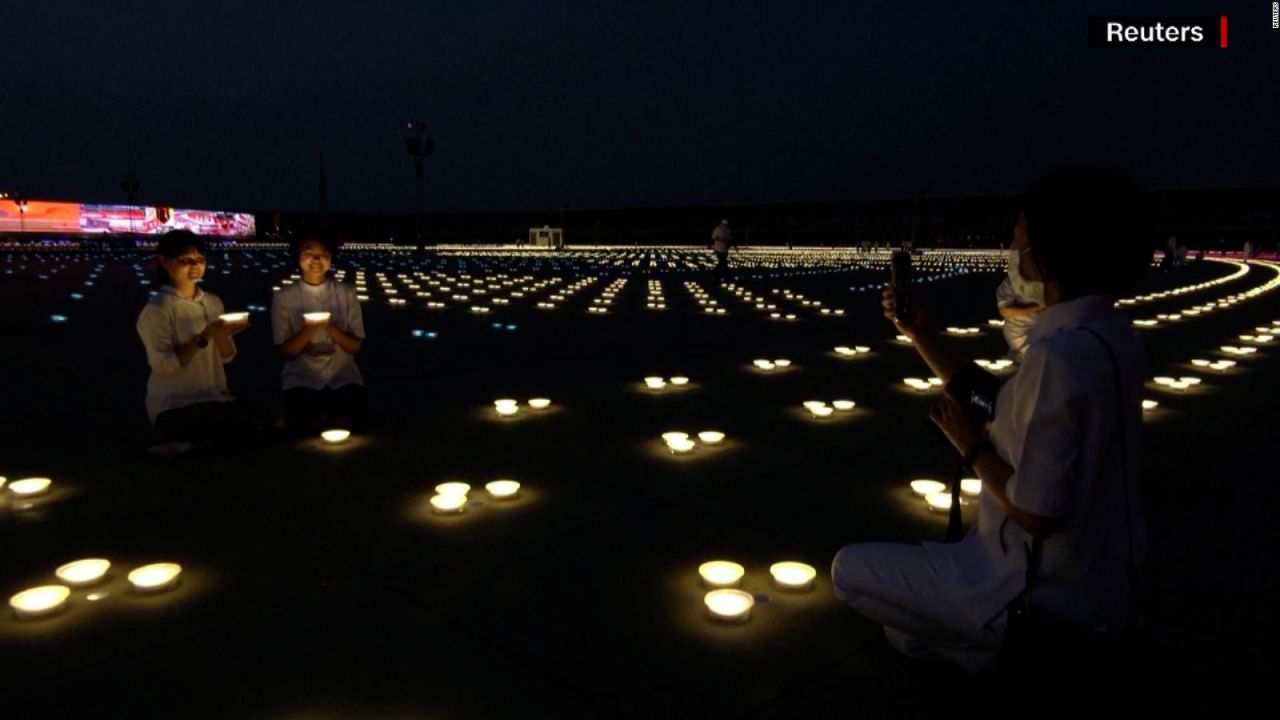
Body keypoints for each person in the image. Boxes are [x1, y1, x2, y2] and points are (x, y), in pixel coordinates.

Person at [831, 167, 1150, 680]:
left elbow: (1037, 511)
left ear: (1048, 257)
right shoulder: (1112, 338)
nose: (1012, 253)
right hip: (1101, 589)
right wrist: (920, 334)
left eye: (1018, 242)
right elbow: (1000, 401)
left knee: (848, 571)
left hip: (1034, 597)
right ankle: (975, 640)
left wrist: (970, 445)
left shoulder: (1059, 356)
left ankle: (992, 649)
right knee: (902, 628)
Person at [136, 229, 257, 455]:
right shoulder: (158, 309)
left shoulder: (212, 302)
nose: (195, 265)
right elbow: (165, 365)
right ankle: (178, 440)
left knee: (262, 422)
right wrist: (205, 336)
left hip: (214, 398)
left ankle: (191, 444)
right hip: (175, 406)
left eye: (200, 260)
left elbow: (226, 356)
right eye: (185, 260)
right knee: (233, 429)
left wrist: (222, 335)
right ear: (164, 261)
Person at [271, 234, 366, 434]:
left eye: (323, 254)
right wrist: (310, 328)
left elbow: (355, 346)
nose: (316, 259)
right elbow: (287, 351)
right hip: (301, 378)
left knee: (346, 422)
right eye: (309, 253)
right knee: (311, 424)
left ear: (331, 258)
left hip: (343, 376)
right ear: (297, 257)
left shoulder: (346, 292)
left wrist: (330, 327)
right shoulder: (283, 297)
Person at [995, 250, 1044, 361]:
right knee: (1035, 354)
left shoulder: (1043, 281)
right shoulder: (1010, 283)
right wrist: (1038, 306)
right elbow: (1005, 311)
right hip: (1020, 332)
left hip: (1043, 329)